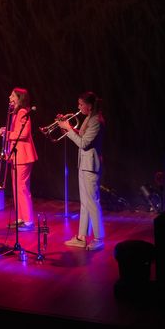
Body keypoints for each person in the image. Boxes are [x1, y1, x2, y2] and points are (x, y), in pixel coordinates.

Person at [59, 91, 106, 251]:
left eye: (81, 104)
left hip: (91, 166)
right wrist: (68, 127)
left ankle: (99, 238)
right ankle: (81, 237)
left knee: (92, 202)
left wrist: (68, 129)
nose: (78, 107)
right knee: (85, 203)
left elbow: (83, 143)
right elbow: (82, 135)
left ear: (89, 106)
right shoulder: (89, 118)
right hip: (84, 164)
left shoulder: (96, 121)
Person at [0, 87, 38, 231]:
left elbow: (24, 133)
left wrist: (7, 134)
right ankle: (21, 218)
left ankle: (28, 221)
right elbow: (17, 131)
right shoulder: (16, 113)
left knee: (21, 188)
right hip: (17, 156)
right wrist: (7, 131)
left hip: (23, 156)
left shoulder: (22, 112)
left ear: (19, 98)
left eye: (12, 95)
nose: (9, 97)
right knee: (16, 188)